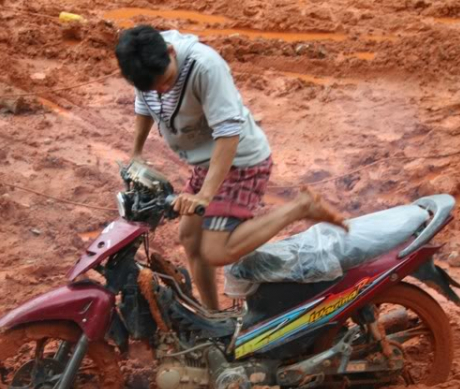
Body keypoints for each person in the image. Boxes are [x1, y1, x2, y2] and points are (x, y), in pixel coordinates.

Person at [115, 25, 347, 310]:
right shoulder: (147, 67)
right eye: (152, 88)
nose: (161, 91)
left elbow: (228, 134)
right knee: (190, 237)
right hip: (204, 161)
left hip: (240, 161)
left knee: (216, 251)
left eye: (165, 81)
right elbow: (144, 104)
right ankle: (213, 317)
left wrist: (204, 196)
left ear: (171, 53)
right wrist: (136, 152)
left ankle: (300, 207)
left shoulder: (206, 67)